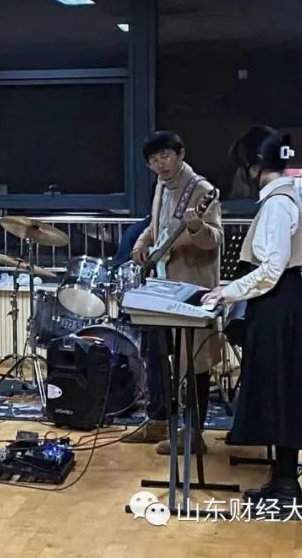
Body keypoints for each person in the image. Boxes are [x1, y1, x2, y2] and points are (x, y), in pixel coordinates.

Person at [201, 126, 302, 510]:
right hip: (283, 300)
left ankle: (286, 488)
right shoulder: (284, 196)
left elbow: (271, 269)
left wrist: (228, 291)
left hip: (277, 304)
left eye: (241, 166)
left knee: (279, 390)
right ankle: (283, 482)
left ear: (255, 166)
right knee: (284, 388)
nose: (239, 175)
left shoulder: (276, 204)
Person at [127, 131, 222, 455]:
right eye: (154, 160)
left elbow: (214, 239)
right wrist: (142, 243)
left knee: (193, 362)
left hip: (192, 287)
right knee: (155, 352)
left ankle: (193, 434)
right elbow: (158, 227)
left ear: (180, 154)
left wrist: (196, 227)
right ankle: (158, 420)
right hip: (162, 285)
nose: (160, 164)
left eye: (165, 156)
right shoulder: (161, 186)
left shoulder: (202, 190)